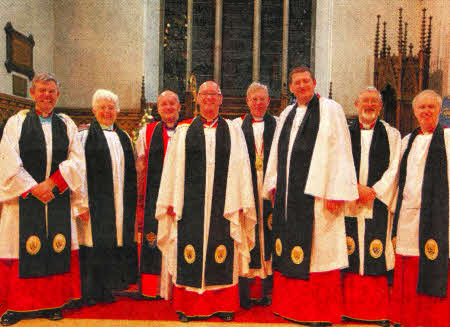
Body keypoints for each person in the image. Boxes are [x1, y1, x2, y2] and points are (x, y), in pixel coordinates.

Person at [263, 66, 358, 325]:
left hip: (318, 197)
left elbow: (341, 150)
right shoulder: (286, 113)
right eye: (297, 82)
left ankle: (318, 313)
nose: (302, 86)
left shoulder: (331, 110)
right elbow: (277, 153)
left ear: (314, 83)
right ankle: (290, 308)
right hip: (288, 198)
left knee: (319, 254)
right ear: (291, 87)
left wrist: (337, 191)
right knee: (292, 248)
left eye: (306, 81)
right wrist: (273, 184)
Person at [155, 81, 256, 322]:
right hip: (189, 206)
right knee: (188, 249)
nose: (209, 99)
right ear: (197, 99)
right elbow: (171, 169)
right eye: (204, 95)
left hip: (225, 204)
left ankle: (223, 305)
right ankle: (187, 307)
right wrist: (169, 199)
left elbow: (242, 167)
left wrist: (242, 199)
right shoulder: (183, 132)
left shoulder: (233, 131)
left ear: (221, 99)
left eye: (214, 95)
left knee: (221, 248)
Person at [0, 73, 84, 325]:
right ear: (32, 93)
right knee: (19, 248)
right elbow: (8, 158)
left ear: (58, 94)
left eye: (51, 91)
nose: (47, 95)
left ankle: (52, 303)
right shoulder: (17, 122)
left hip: (56, 198)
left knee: (55, 245)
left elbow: (76, 159)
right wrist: (32, 187)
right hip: (23, 199)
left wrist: (54, 182)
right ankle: (16, 306)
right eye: (42, 90)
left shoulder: (66, 123)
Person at [390, 90, 450, 327]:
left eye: (431, 107)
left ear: (439, 110)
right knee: (408, 267)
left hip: (437, 217)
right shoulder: (407, 140)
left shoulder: (447, 138)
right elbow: (393, 175)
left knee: (433, 263)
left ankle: (432, 319)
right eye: (421, 108)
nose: (426, 112)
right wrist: (369, 191)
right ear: (414, 112)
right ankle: (407, 317)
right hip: (407, 214)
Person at [342, 87, 401, 326]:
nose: (369, 105)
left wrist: (374, 191)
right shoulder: (346, 132)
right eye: (365, 100)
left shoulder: (392, 134)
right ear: (356, 104)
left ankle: (376, 310)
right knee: (350, 249)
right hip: (351, 200)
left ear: (380, 106)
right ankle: (348, 307)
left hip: (377, 201)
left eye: (374, 102)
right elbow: (339, 163)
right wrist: (355, 188)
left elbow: (395, 167)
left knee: (376, 250)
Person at [75, 89, 138, 306]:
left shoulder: (124, 138)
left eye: (111, 107)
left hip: (118, 203)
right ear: (94, 110)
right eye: (102, 107)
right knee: (92, 244)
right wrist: (81, 204)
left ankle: (106, 288)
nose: (107, 111)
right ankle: (89, 291)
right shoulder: (83, 137)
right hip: (93, 205)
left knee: (113, 242)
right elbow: (79, 173)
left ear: (118, 111)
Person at [234, 82, 276, 309]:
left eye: (262, 99)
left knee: (269, 233)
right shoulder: (237, 127)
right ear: (247, 101)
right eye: (254, 99)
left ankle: (267, 291)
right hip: (247, 189)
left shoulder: (278, 125)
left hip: (269, 188)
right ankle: (248, 292)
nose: (258, 103)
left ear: (268, 101)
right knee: (249, 233)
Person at [135, 90, 181, 299]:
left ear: (179, 106)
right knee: (154, 237)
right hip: (154, 198)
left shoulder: (188, 130)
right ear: (158, 108)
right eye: (164, 104)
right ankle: (153, 288)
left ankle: (178, 285)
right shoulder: (148, 131)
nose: (168, 108)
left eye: (172, 104)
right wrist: (140, 200)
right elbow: (141, 166)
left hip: (180, 196)